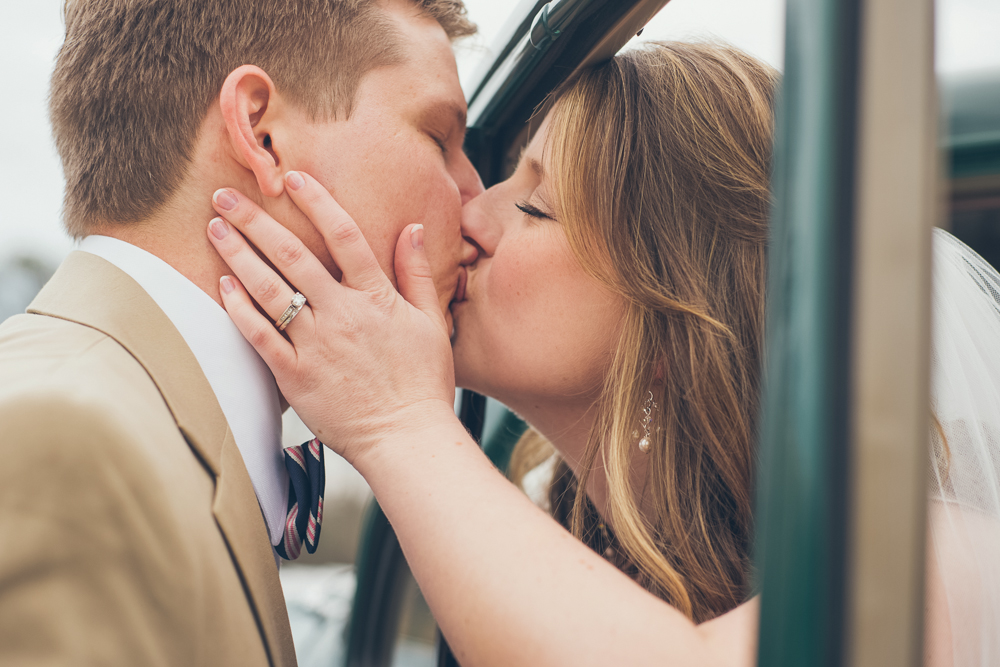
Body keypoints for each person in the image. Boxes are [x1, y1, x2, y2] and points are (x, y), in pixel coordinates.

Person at [209, 41, 1000, 667]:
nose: (470, 211)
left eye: (534, 204)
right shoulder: (552, 517)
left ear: (674, 306)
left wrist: (396, 421)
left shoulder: (939, 563)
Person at [0, 0, 479, 664]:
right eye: (439, 137)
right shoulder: (64, 446)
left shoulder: (116, 419)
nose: (474, 192)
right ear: (259, 132)